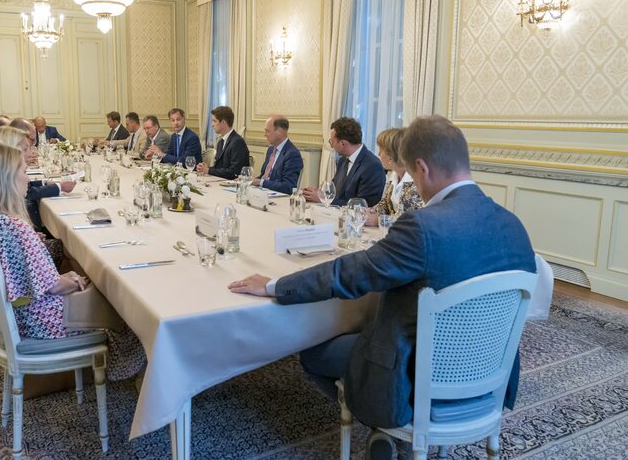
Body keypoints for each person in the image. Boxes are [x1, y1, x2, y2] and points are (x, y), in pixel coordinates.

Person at [228, 115, 536, 460]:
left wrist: (273, 284)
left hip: (414, 375)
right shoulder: (515, 226)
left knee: (314, 352)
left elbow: (349, 274)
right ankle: (388, 431)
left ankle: (385, 424)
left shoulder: (422, 227)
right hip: (491, 370)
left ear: (421, 168)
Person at [0, 142, 145, 382]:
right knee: (127, 303)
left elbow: (34, 278)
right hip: (43, 319)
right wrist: (73, 280)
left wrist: (65, 277)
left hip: (21, 312)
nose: (27, 178)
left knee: (86, 272)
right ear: (7, 178)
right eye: (23, 172)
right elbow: (52, 287)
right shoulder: (15, 226)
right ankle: (132, 370)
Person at [0, 125, 76, 231]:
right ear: (11, 150)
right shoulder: (11, 221)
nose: (31, 152)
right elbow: (29, 192)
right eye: (26, 149)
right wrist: (58, 187)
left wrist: (45, 182)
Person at [303, 117, 385, 207]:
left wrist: (323, 199)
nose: (332, 146)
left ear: (343, 143)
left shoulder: (372, 166)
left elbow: (363, 206)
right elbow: (334, 190)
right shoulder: (343, 160)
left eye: (332, 142)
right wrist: (318, 192)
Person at [366, 127, 424, 225]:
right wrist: (370, 211)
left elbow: (411, 220)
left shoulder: (416, 182)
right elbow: (385, 204)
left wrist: (379, 221)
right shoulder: (394, 174)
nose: (379, 154)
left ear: (391, 155)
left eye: (381, 150)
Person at [252, 115, 303, 194]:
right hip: (262, 193)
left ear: (279, 131)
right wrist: (249, 180)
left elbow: (288, 186)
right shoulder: (271, 149)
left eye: (267, 131)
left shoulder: (292, 154)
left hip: (277, 199)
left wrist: (260, 182)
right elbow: (264, 175)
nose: (265, 134)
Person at [196, 106, 249, 179]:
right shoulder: (220, 142)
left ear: (223, 122)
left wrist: (208, 170)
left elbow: (234, 172)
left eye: (214, 121)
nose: (212, 124)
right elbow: (219, 168)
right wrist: (206, 168)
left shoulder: (238, 142)